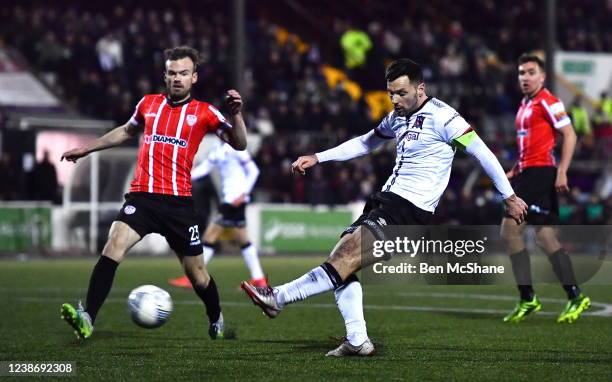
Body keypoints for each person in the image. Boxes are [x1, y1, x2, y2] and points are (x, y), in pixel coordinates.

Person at [241, 58, 528, 357]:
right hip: (386, 200)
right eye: (391, 93)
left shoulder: (444, 118)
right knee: (341, 259)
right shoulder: (397, 117)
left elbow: (483, 154)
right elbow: (366, 143)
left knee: (344, 257)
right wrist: (319, 157)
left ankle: (278, 298)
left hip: (409, 209)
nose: (394, 100)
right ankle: (357, 340)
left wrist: (508, 196)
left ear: (420, 89)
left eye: (401, 93)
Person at [59, 46, 247, 340]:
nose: (177, 78)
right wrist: (86, 148)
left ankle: (216, 319)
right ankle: (88, 319)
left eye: (183, 73)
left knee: (198, 275)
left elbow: (240, 144)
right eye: (172, 73)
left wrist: (236, 116)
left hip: (179, 205)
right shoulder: (148, 104)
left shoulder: (205, 112)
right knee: (113, 246)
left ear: (194, 77)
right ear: (165, 75)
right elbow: (124, 131)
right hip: (143, 198)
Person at [500, 53, 590, 324]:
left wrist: (561, 170)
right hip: (528, 171)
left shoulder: (549, 101)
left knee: (508, 230)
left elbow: (570, 134)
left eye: (530, 72)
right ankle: (575, 296)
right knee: (545, 238)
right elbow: (529, 143)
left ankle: (528, 298)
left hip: (541, 173)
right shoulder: (525, 104)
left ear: (542, 76)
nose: (524, 77)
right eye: (521, 73)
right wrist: (516, 168)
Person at [168, 138, 267, 289]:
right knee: (243, 240)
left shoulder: (236, 148)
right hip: (230, 200)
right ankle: (259, 279)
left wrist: (243, 194)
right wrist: (183, 178)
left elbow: (254, 171)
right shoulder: (217, 148)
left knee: (210, 236)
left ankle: (193, 277)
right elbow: (206, 167)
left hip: (234, 200)